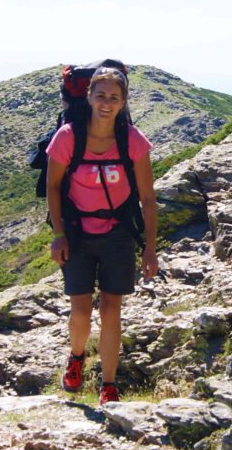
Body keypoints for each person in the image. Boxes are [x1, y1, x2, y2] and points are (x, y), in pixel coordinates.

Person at [45, 65, 158, 404]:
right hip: (78, 234)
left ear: (123, 102)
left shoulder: (132, 140)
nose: (106, 103)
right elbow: (52, 187)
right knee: (80, 311)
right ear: (88, 96)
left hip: (118, 233)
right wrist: (59, 234)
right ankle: (77, 356)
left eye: (114, 97)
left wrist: (150, 248)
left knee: (112, 310)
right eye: (101, 96)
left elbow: (148, 198)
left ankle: (108, 385)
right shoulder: (68, 137)